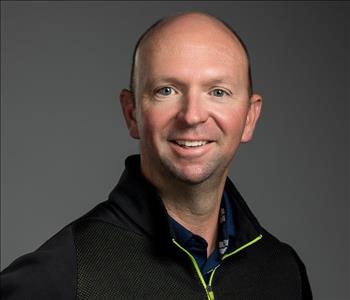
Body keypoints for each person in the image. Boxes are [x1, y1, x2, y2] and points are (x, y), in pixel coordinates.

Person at [1, 11, 312, 299]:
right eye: (167, 90)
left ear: (249, 118)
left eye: (218, 92)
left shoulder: (283, 272)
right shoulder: (66, 273)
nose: (192, 116)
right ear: (132, 113)